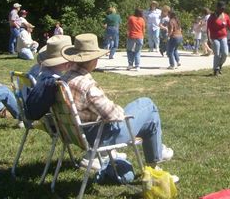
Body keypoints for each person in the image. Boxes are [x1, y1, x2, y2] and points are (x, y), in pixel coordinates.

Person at [61, 33, 175, 169]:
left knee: (151, 122)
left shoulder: (64, 80)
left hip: (79, 134)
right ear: (93, 60)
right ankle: (155, 160)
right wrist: (119, 109)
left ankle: (157, 154)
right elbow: (115, 116)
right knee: (148, 105)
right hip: (100, 137)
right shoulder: (87, 86)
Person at [207, 1, 230, 76]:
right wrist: (209, 39)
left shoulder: (226, 16)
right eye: (221, 8)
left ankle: (219, 65)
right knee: (217, 53)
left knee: (225, 53)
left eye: (223, 8)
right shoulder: (212, 17)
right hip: (214, 37)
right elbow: (208, 28)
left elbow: (229, 26)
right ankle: (215, 70)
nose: (222, 10)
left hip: (223, 37)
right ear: (217, 8)